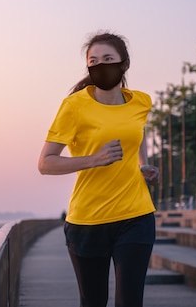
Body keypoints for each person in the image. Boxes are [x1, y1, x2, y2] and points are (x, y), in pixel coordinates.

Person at [38, 31, 159, 307]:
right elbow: (45, 163)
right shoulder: (74, 106)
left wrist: (145, 166)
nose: (101, 65)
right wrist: (93, 159)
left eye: (108, 59)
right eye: (94, 61)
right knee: (93, 302)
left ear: (124, 64)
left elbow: (136, 133)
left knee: (130, 302)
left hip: (136, 215)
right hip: (88, 221)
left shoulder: (141, 102)